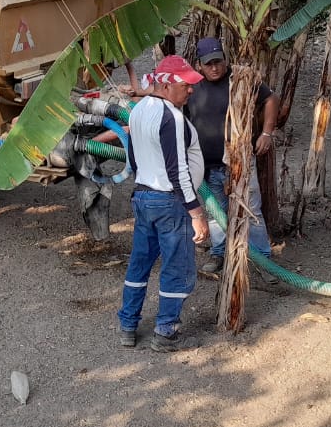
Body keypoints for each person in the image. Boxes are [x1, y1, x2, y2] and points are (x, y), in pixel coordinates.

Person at [114, 56, 210, 353]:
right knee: (177, 267)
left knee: (139, 263)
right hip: (169, 202)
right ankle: (166, 332)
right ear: (166, 86)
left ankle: (128, 325)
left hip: (144, 197)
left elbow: (132, 158)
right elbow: (177, 170)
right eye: (185, 85)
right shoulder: (172, 118)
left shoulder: (138, 110)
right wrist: (196, 212)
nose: (191, 90)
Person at [185, 37, 278, 275]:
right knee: (216, 212)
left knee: (252, 210)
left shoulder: (240, 80)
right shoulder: (191, 86)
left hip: (240, 162)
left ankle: (263, 260)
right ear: (199, 65)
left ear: (225, 60)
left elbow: (270, 98)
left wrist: (266, 132)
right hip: (207, 166)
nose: (214, 68)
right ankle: (219, 253)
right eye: (208, 64)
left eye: (218, 62)